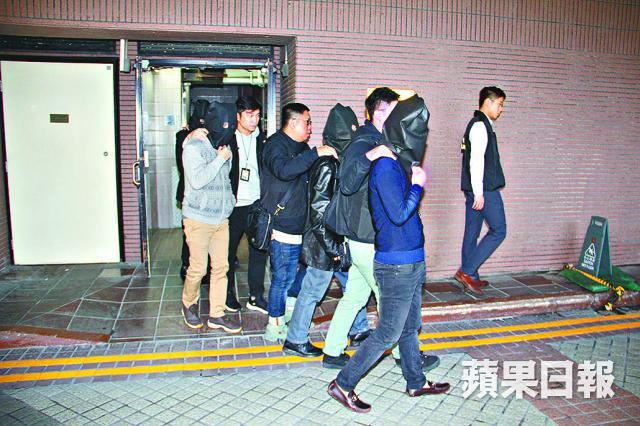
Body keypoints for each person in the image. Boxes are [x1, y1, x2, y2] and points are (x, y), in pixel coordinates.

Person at [327, 95, 450, 413]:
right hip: (395, 263)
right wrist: (417, 186)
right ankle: (343, 383)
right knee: (388, 332)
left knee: (409, 326)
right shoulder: (382, 164)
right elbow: (397, 214)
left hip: (411, 259)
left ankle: (416, 381)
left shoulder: (395, 160)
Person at [282, 104, 370, 357]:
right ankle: (295, 339)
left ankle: (360, 329)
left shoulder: (338, 161)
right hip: (324, 244)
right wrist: (334, 249)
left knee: (353, 286)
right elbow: (319, 212)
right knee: (313, 290)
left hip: (335, 240)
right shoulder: (327, 165)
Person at [260, 103, 337, 341]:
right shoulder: (275, 145)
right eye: (307, 122)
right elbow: (283, 170)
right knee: (282, 278)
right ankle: (274, 325)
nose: (311, 127)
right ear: (293, 122)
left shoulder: (302, 147)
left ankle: (291, 314)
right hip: (283, 225)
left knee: (301, 274)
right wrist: (314, 154)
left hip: (303, 225)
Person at [180, 102, 242, 333]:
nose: (230, 130)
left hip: (221, 219)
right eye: (227, 125)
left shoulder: (224, 146)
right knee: (198, 268)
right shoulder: (194, 146)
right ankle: (189, 303)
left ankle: (217, 313)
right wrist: (219, 159)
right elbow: (197, 180)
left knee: (221, 267)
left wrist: (230, 202)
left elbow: (226, 179)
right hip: (198, 218)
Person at [454, 86, 507, 295]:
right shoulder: (480, 126)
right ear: (488, 102)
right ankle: (467, 271)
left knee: (472, 231)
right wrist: (479, 193)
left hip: (476, 188)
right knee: (499, 230)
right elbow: (476, 161)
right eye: (499, 104)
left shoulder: (480, 125)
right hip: (484, 189)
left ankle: (471, 275)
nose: (501, 109)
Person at [225, 96, 269, 314]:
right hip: (233, 206)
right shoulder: (227, 138)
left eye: (258, 116)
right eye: (250, 115)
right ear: (238, 116)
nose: (254, 120)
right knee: (227, 254)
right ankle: (227, 294)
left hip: (255, 205)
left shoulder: (263, 140)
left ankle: (256, 296)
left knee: (258, 252)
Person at [176, 99, 210, 281]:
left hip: (206, 193)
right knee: (191, 234)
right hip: (190, 192)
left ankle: (196, 266)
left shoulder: (210, 134)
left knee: (202, 233)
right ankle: (187, 264)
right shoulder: (183, 136)